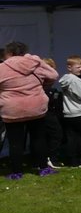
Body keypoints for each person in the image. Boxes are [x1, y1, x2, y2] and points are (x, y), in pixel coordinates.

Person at [0, 41, 59, 174]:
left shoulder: (2, 68)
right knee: (39, 138)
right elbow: (54, 75)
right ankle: (43, 167)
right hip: (36, 107)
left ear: (8, 52)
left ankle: (17, 171)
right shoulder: (34, 63)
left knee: (16, 142)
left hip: (12, 109)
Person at [58, 55, 81, 168]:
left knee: (71, 138)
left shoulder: (65, 79)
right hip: (80, 113)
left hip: (69, 114)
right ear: (69, 67)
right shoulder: (76, 80)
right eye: (78, 67)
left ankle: (72, 161)